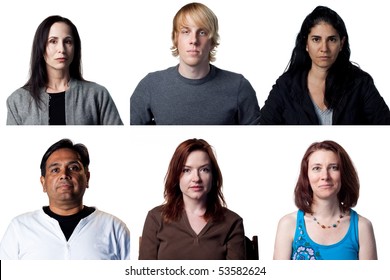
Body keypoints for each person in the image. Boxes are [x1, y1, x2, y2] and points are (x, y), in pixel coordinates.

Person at [130, 2, 261, 125]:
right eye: (186, 32)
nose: (194, 40)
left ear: (212, 41)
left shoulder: (239, 87)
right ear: (176, 38)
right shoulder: (150, 86)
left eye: (202, 32)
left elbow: (257, 142)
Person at [0, 139, 130, 259]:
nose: (64, 175)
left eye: (73, 168)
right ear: (43, 182)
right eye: (55, 170)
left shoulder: (114, 228)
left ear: (87, 178)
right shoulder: (19, 228)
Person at [259, 6, 390, 125]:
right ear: (306, 43)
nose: (324, 48)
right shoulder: (285, 86)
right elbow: (262, 131)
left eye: (332, 40)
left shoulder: (360, 84)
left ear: (341, 43)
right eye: (316, 39)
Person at [139, 138, 245, 259]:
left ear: (213, 176)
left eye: (204, 169)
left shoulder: (232, 222)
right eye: (186, 170)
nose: (196, 178)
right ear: (176, 175)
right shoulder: (156, 217)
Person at [6, 15, 123, 125]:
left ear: (75, 48)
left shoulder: (97, 95)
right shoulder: (17, 101)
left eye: (67, 41)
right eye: (53, 41)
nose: (61, 49)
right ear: (41, 47)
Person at [273, 140, 377, 260]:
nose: (325, 176)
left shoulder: (362, 227)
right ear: (306, 176)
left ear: (344, 174)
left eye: (333, 168)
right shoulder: (288, 224)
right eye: (316, 168)